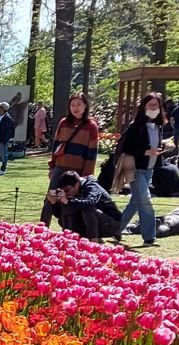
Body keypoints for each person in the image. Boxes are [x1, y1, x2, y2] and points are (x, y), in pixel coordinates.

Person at [116, 92, 169, 246]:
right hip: (135, 169)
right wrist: (146, 152)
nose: (154, 108)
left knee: (136, 201)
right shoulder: (136, 127)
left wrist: (162, 148)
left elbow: (154, 146)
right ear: (144, 107)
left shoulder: (158, 127)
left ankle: (115, 228)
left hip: (149, 169)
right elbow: (127, 147)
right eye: (150, 105)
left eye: (156, 105)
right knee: (146, 201)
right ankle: (149, 237)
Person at [43, 92, 100, 227]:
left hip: (78, 170)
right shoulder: (64, 123)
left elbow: (92, 152)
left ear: (85, 106)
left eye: (79, 104)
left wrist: (87, 174)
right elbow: (56, 146)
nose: (76, 108)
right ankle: (42, 227)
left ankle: (70, 230)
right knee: (50, 197)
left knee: (71, 200)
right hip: (60, 166)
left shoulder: (91, 126)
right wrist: (52, 166)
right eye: (72, 105)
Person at [47, 170, 122, 240]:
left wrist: (66, 201)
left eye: (67, 190)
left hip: (113, 224)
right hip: (96, 224)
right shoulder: (73, 191)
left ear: (76, 184)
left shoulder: (92, 186)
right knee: (70, 205)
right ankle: (67, 239)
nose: (66, 193)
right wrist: (54, 203)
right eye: (63, 191)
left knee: (86, 208)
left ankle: (92, 243)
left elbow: (90, 203)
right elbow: (59, 215)